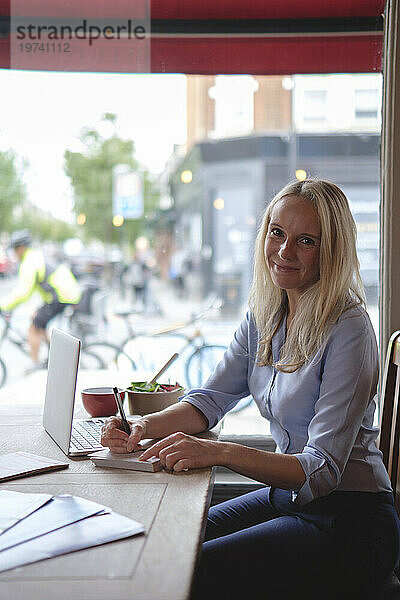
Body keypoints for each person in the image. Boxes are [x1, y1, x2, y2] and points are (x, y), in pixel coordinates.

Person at [101, 180, 400, 599]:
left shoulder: (348, 328)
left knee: (182, 571)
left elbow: (322, 471)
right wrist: (140, 425)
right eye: (277, 233)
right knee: (159, 543)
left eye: (306, 241)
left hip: (350, 524)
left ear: (331, 250)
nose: (284, 251)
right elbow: (209, 401)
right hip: (290, 499)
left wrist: (220, 452)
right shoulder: (266, 311)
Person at [0, 230, 81, 368]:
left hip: (62, 296)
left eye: (14, 249)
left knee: (33, 328)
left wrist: (3, 305)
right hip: (64, 295)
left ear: (21, 247)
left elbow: (23, 292)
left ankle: (35, 364)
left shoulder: (29, 261)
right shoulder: (35, 256)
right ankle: (54, 355)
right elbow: (28, 291)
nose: (14, 253)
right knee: (37, 319)